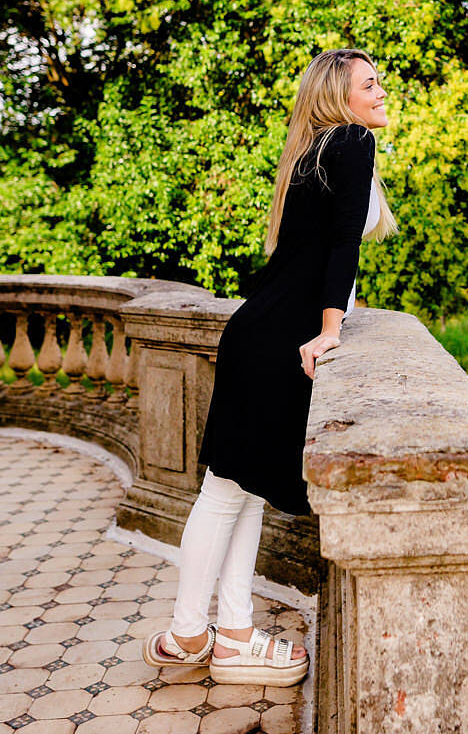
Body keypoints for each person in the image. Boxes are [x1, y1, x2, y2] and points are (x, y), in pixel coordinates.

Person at [142, 49, 398, 685]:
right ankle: (189, 631)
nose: (381, 92)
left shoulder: (317, 151)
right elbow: (340, 246)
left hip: (262, 332)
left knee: (241, 491)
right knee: (227, 492)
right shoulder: (351, 141)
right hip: (277, 339)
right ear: (341, 97)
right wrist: (331, 331)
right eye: (370, 84)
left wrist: (338, 312)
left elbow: (315, 254)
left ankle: (230, 631)